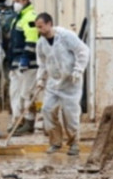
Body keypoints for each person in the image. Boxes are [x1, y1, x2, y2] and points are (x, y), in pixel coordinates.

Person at [35, 13, 90, 156]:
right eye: (37, 28)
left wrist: (78, 69)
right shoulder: (41, 43)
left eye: (41, 27)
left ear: (49, 24)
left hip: (70, 82)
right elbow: (42, 62)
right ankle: (55, 142)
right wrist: (41, 79)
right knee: (47, 110)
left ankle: (74, 143)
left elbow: (82, 50)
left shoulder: (66, 36)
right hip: (53, 83)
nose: (39, 30)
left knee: (70, 114)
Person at [8, 0, 39, 135]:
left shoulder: (30, 17)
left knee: (26, 93)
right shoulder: (18, 18)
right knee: (15, 93)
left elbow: (32, 38)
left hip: (28, 63)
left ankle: (29, 122)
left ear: (26, 1)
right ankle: (17, 121)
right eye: (14, 1)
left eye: (18, 1)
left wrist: (26, 57)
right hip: (16, 61)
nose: (15, 4)